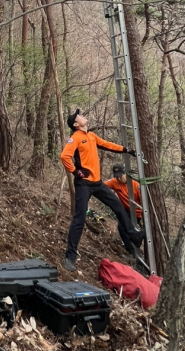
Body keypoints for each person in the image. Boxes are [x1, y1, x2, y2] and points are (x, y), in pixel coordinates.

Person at [60, 109, 144, 271]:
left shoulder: (91, 136)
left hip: (97, 183)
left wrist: (126, 150)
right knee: (79, 218)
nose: (82, 116)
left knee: (118, 206)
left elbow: (107, 145)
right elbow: (64, 156)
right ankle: (70, 257)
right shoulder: (75, 138)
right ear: (76, 124)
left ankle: (134, 235)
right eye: (79, 116)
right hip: (84, 184)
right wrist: (75, 172)